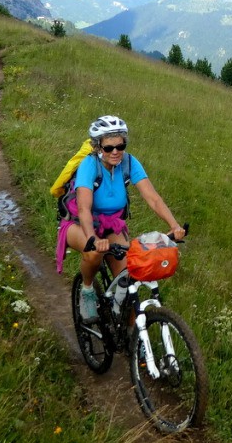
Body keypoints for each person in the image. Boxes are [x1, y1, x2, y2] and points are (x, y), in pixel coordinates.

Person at [63, 115, 185, 320]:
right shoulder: (89, 165)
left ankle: (131, 339)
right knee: (93, 253)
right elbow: (84, 208)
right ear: (98, 146)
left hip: (111, 226)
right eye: (109, 148)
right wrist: (93, 238)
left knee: (130, 278)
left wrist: (174, 225)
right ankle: (87, 290)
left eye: (121, 146)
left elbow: (153, 198)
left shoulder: (129, 162)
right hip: (79, 225)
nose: (116, 152)